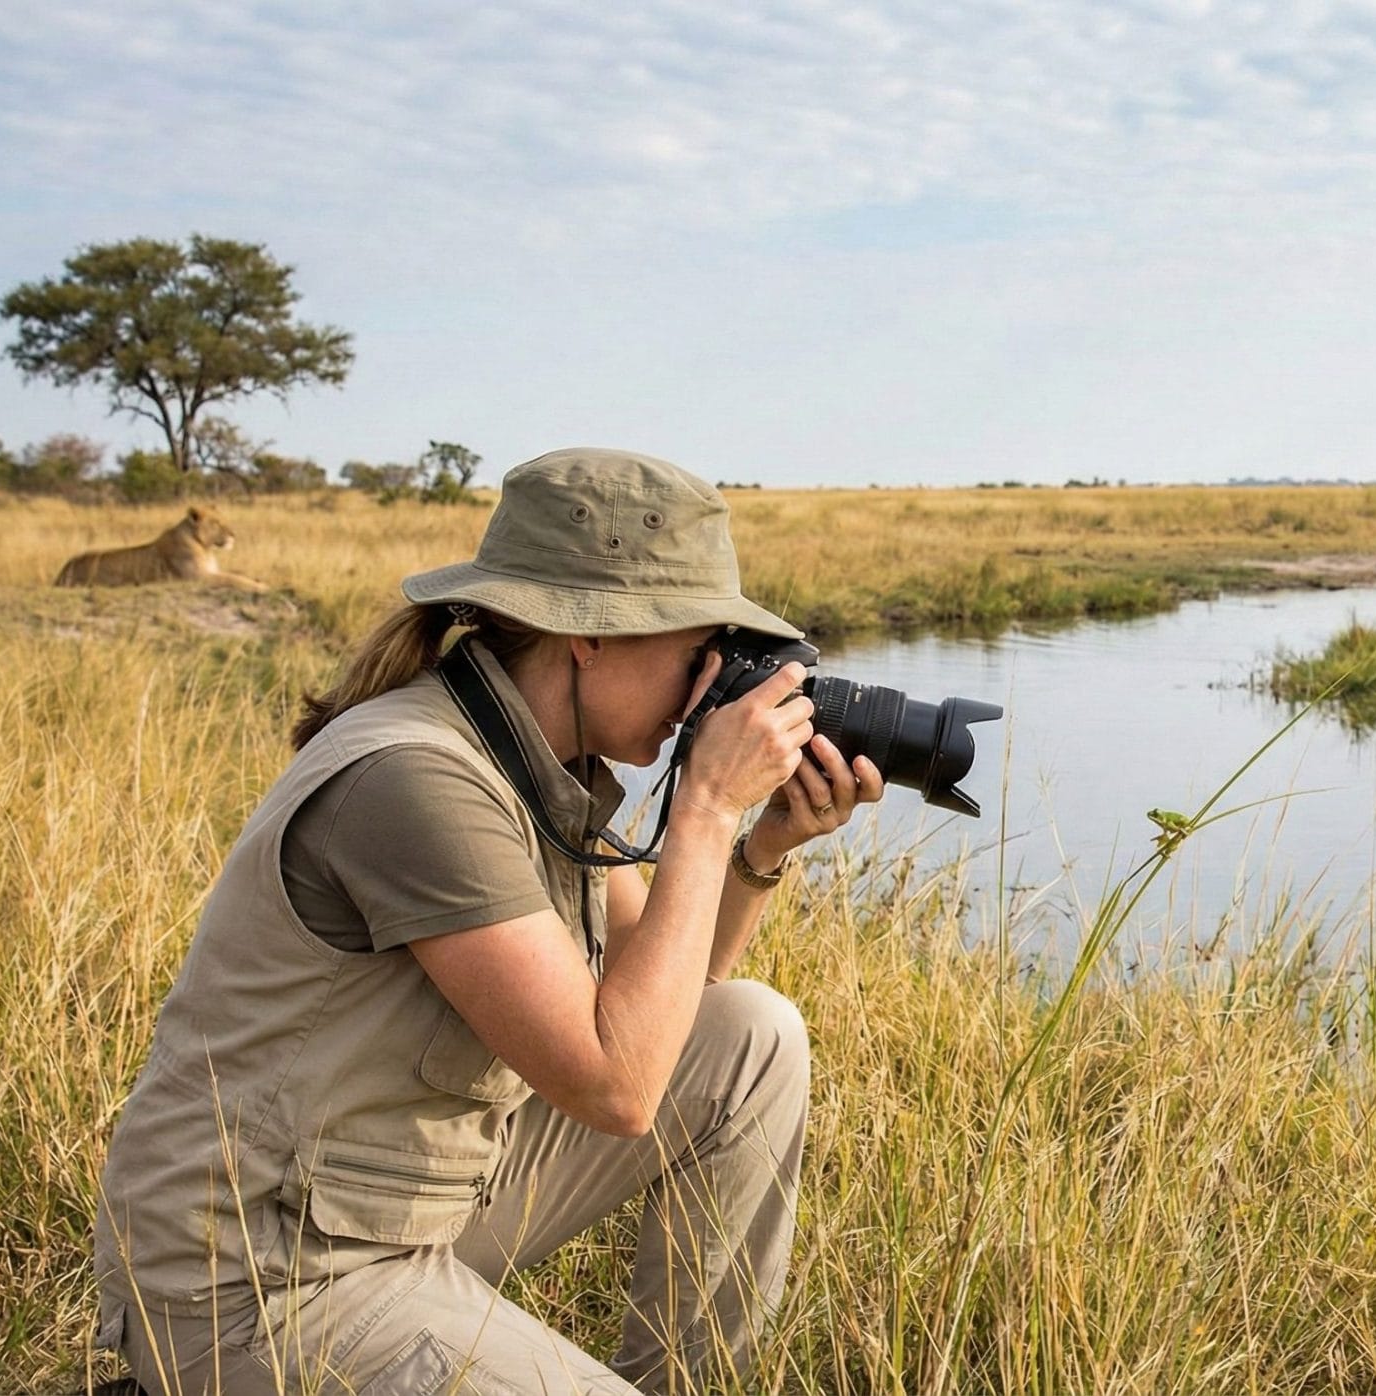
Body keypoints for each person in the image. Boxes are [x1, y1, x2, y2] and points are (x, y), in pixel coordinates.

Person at [92, 448, 880, 1394]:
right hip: (259, 1273)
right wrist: (704, 810)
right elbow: (617, 1086)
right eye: (697, 650)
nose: (708, 686)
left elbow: (674, 990)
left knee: (751, 1034)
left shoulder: (533, 762)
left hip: (392, 1205)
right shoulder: (414, 778)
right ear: (587, 632)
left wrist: (759, 849)